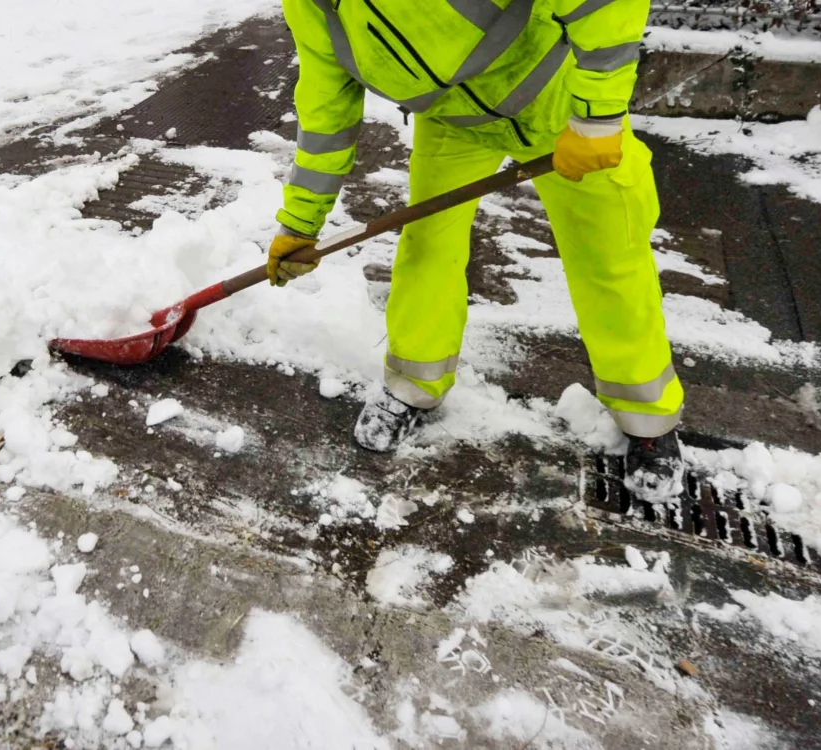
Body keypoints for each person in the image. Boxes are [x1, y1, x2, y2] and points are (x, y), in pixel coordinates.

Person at [267, 0, 685, 502]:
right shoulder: (312, 5)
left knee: (609, 256)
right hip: (454, 123)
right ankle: (413, 385)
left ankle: (649, 420)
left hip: (558, 106)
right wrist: (301, 221)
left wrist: (597, 116)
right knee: (427, 246)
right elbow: (326, 106)